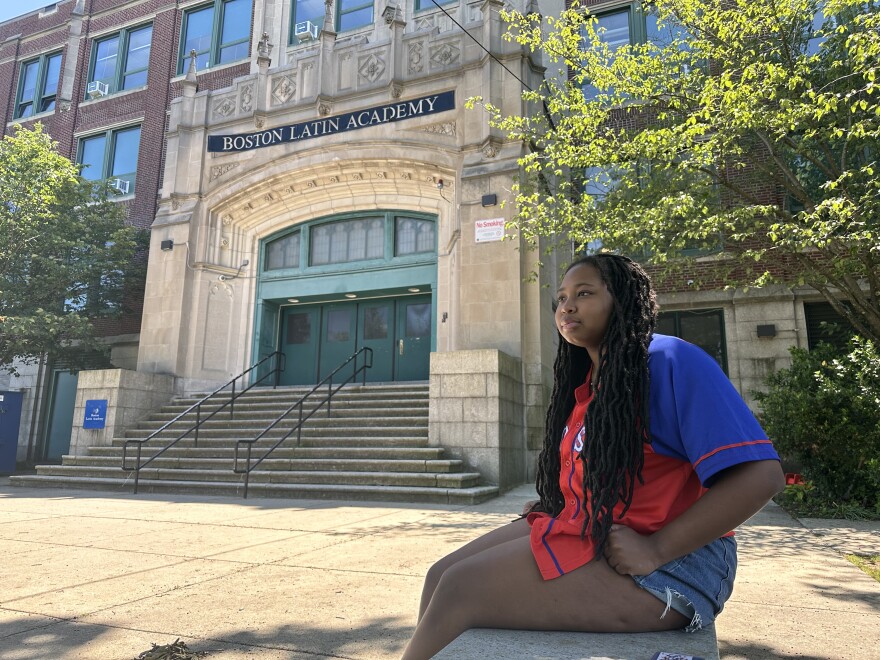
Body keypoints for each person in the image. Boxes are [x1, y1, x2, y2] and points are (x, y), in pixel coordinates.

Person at [402, 254, 785, 659]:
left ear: (621, 299)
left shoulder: (669, 360)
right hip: (597, 531)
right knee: (439, 575)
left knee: (462, 589)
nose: (566, 306)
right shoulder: (590, 384)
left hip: (677, 565)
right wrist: (564, 501)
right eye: (561, 298)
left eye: (584, 293)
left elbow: (761, 477)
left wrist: (655, 550)